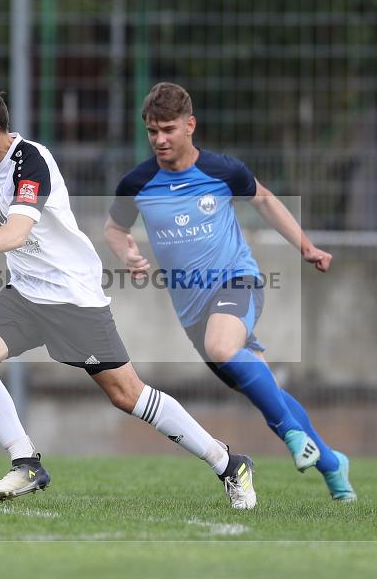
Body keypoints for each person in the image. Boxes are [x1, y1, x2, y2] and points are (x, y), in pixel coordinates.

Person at [0, 86, 257, 509]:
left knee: (127, 395)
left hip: (70, 296)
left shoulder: (32, 161)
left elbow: (16, 231)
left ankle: (229, 463)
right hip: (26, 293)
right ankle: (26, 462)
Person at [103, 82, 356, 502]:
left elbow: (265, 200)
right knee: (264, 388)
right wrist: (127, 253)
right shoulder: (138, 182)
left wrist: (306, 247)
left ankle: (296, 437)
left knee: (223, 347)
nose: (160, 140)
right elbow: (114, 228)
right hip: (192, 313)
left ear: (190, 125)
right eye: (152, 131)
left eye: (168, 129)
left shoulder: (223, 170)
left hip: (238, 282)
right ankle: (332, 463)